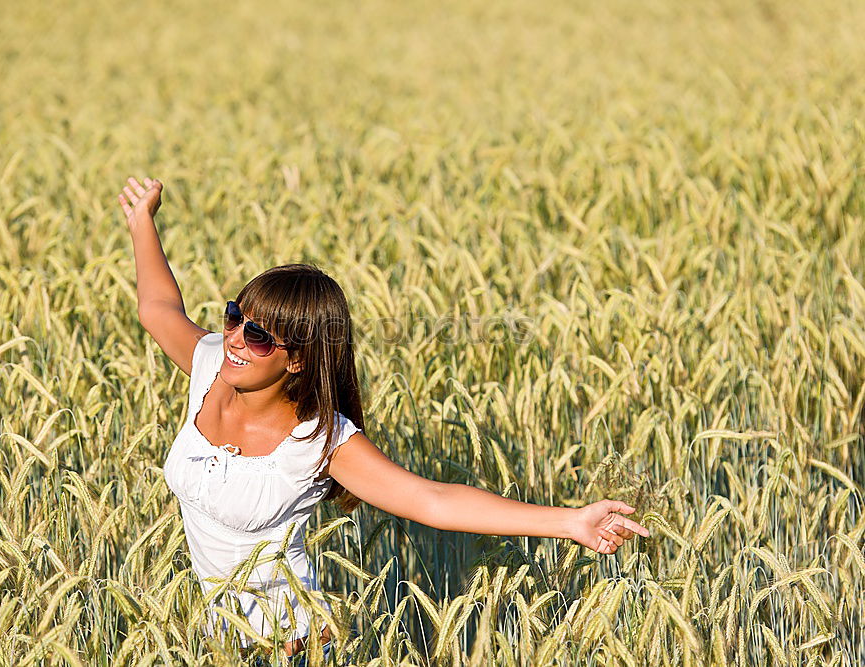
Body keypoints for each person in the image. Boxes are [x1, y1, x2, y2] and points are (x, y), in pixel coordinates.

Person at [117, 175, 650, 661]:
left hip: (293, 648)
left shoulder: (319, 441)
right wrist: (143, 220)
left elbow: (431, 500)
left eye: (258, 336)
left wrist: (569, 521)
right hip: (215, 643)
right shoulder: (211, 365)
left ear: (298, 358)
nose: (235, 338)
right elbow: (157, 309)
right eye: (236, 316)